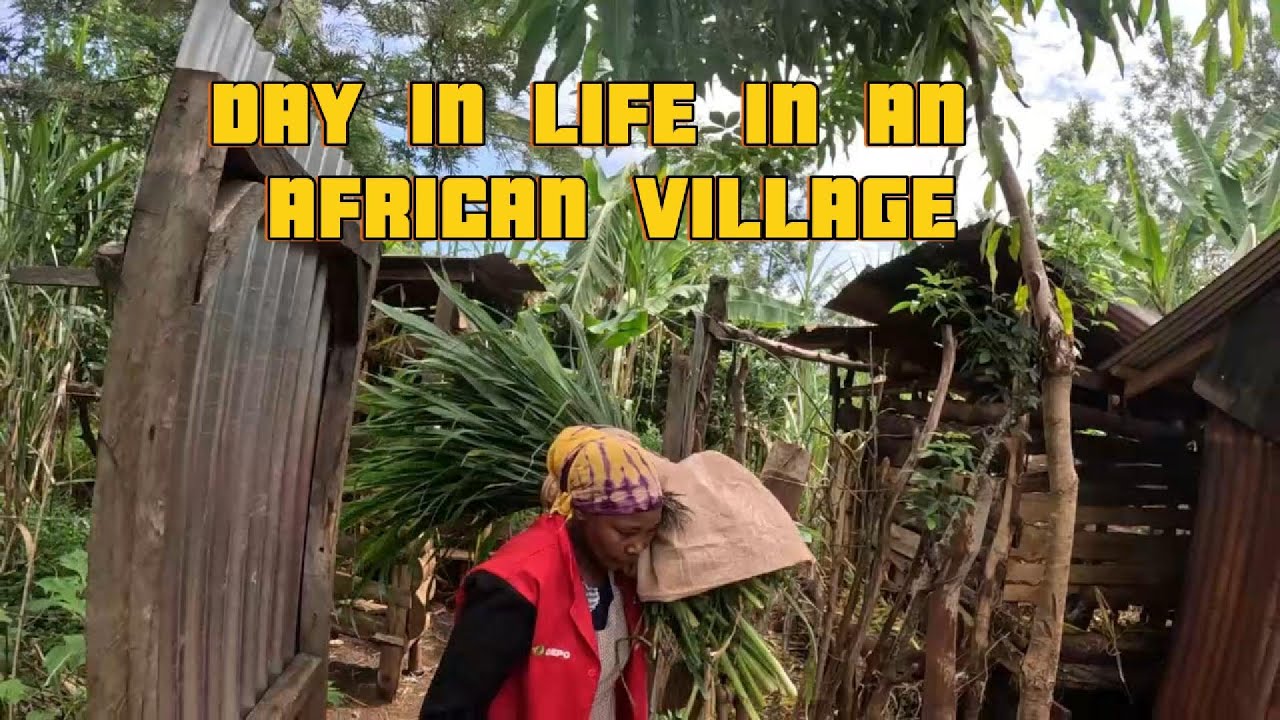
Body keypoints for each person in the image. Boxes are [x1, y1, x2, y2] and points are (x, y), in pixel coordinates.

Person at [419, 425, 681, 720]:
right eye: (626, 533)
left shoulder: (625, 578)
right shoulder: (514, 586)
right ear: (581, 511)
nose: (638, 547)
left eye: (649, 534)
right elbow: (449, 710)